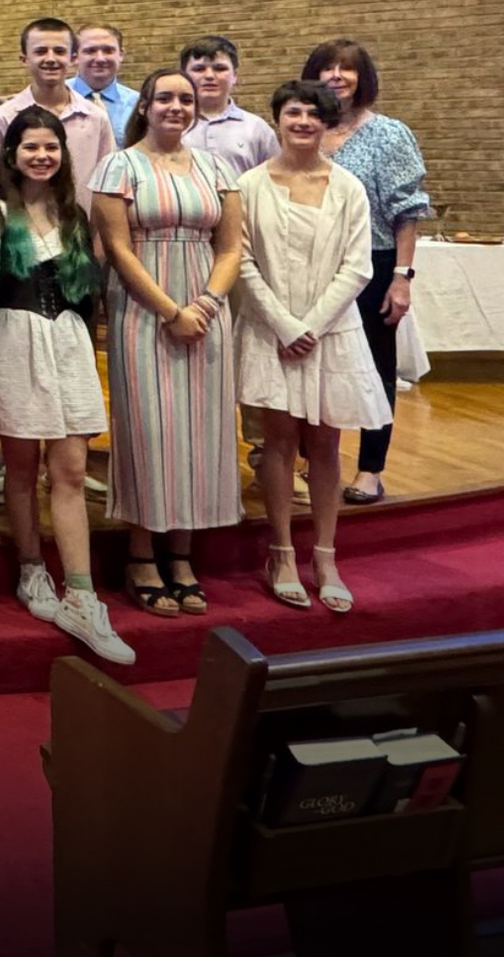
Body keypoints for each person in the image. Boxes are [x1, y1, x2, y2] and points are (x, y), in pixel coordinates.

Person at [90, 67, 243, 619]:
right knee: (151, 433)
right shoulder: (119, 165)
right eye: (164, 99)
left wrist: (204, 305)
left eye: (185, 99)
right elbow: (118, 247)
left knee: (201, 434)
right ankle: (139, 554)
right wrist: (170, 310)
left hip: (207, 310)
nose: (175, 107)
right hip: (144, 311)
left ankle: (181, 554)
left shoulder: (218, 167)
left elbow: (229, 248)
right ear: (145, 106)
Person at [0, 108, 133, 664]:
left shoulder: (74, 213)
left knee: (70, 469)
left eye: (51, 148)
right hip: (11, 338)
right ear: (12, 154)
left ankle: (82, 594)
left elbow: (86, 291)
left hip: (66, 343)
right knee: (20, 469)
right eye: (31, 148)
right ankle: (30, 569)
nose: (41, 156)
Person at [235, 81, 392, 615]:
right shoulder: (250, 185)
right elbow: (243, 260)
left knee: (325, 445)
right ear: (276, 120)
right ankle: (280, 552)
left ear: (328, 124)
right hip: (271, 330)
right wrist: (284, 323)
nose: (302, 120)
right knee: (277, 444)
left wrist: (314, 324)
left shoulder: (348, 186)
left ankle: (325, 555)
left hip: (331, 332)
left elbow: (359, 265)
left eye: (312, 114)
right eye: (292, 112)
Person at [302, 38, 431, 506]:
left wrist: (402, 277)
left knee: (375, 368)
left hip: (372, 263)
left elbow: (407, 214)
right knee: (309, 362)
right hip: (310, 264)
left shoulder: (389, 134)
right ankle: (313, 463)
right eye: (326, 68)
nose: (336, 76)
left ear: (363, 78)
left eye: (347, 69)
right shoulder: (303, 126)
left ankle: (370, 470)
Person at [0, 18, 114, 210]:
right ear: (24, 59)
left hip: (83, 234)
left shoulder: (96, 118)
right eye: (40, 51)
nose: (50, 59)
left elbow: (107, 186)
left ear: (73, 58)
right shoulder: (2, 118)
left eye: (59, 51)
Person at [181, 34, 277, 175]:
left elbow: (274, 180)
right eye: (199, 69)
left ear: (235, 76)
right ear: (184, 76)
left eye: (220, 68)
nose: (209, 76)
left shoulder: (257, 128)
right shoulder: (172, 125)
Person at [69, 24, 138, 145]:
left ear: (121, 55)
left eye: (108, 51)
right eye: (90, 51)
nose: (100, 58)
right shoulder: (55, 97)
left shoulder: (138, 104)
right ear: (75, 57)